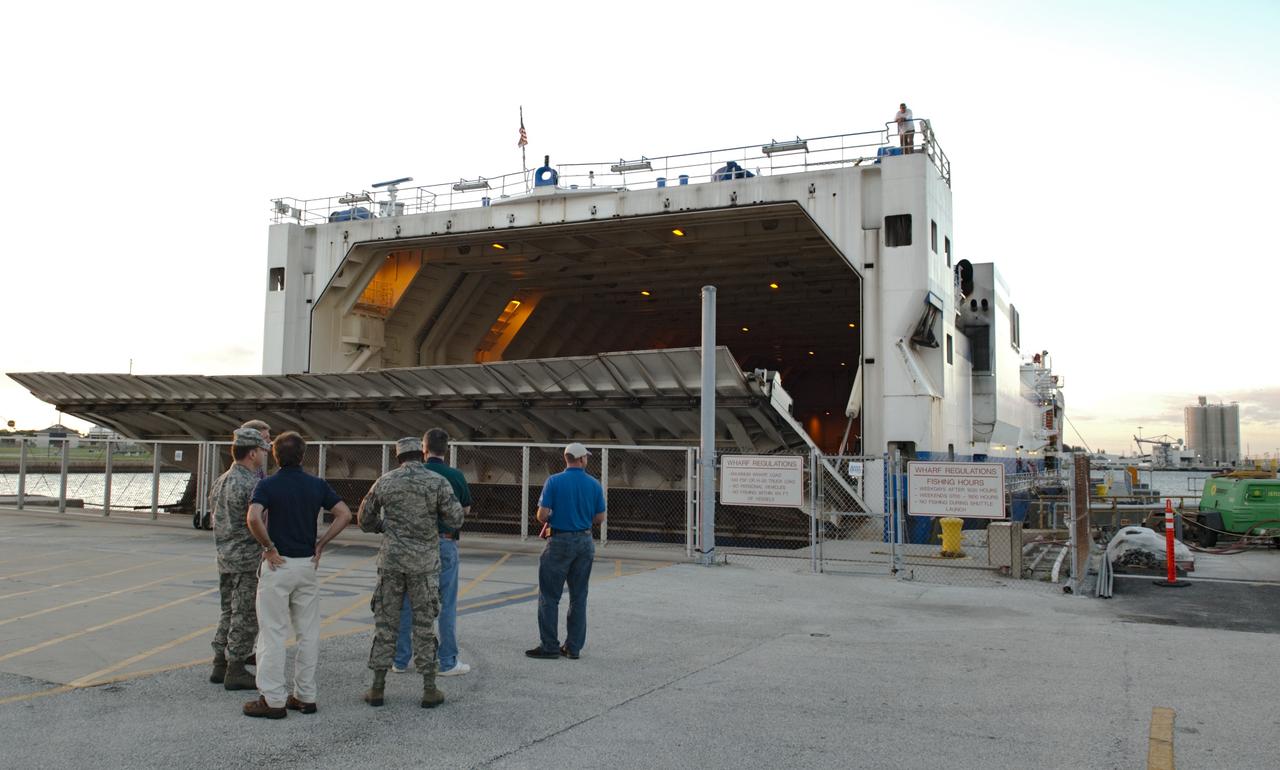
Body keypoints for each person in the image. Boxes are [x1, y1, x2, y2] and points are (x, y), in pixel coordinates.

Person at [242, 431, 352, 719]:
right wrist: (321, 544)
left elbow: (253, 517)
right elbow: (344, 514)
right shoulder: (316, 484)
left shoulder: (267, 485)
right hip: (306, 565)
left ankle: (273, 699)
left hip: (278, 565)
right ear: (303, 456)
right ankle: (305, 695)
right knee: (308, 633)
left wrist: (268, 547)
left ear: (275, 456)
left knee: (273, 633)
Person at [358, 437, 465, 708]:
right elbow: (456, 518)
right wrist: (430, 522)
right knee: (424, 625)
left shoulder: (385, 481)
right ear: (421, 453)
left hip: (392, 562)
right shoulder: (437, 482)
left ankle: (378, 688)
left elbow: (364, 519)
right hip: (424, 564)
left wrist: (385, 527)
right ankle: (429, 689)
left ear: (398, 457)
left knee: (386, 625)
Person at [392, 428, 473, 677]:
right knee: (446, 603)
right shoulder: (454, 475)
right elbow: (465, 510)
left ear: (423, 449)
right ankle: (447, 661)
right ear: (446, 449)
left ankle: (400, 659)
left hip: (413, 545)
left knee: (407, 601)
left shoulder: (410, 475)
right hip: (445, 542)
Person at [526, 442, 606, 661]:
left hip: (559, 541)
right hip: (585, 541)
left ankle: (550, 646)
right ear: (581, 460)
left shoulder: (553, 481)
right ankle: (573, 648)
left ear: (567, 459)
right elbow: (600, 517)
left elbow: (542, 515)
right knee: (579, 596)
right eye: (586, 457)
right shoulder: (594, 484)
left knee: (549, 597)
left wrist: (554, 517)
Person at [208, 427, 269, 690]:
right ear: (253, 453)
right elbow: (258, 520)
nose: (265, 455)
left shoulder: (221, 480)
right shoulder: (252, 483)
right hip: (247, 558)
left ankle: (219, 662)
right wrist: (269, 546)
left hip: (225, 555)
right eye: (263, 451)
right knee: (245, 614)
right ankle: (236, 668)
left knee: (228, 611)